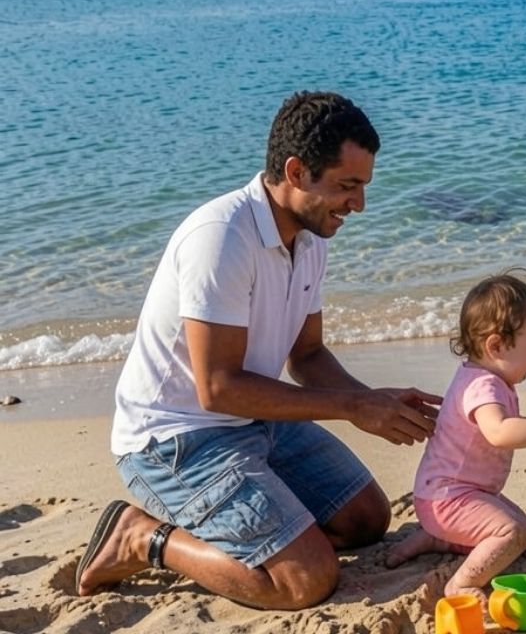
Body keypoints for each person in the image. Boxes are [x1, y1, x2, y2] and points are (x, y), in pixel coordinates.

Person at [75, 90, 442, 610]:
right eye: (347, 186)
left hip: (254, 421)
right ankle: (141, 536)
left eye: (363, 187)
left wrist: (376, 402)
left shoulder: (311, 239)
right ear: (296, 172)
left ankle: (256, 526)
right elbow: (217, 387)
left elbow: (308, 356)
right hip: (173, 441)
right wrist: (351, 408)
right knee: (306, 580)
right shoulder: (222, 237)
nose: (358, 204)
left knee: (365, 520)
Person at [385, 272, 526, 603]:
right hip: (448, 499)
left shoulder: (482, 376)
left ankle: (436, 539)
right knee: (511, 531)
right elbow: (499, 433)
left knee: (518, 526)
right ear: (495, 345)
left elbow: (508, 425)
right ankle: (462, 584)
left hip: (447, 495)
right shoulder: (483, 386)